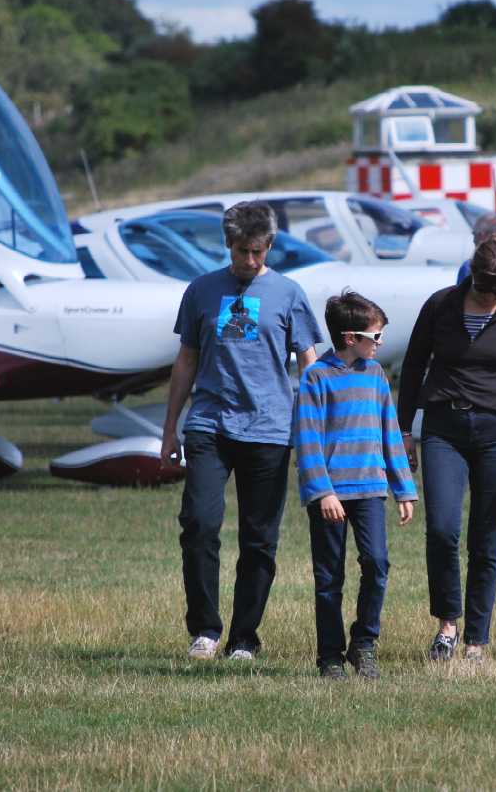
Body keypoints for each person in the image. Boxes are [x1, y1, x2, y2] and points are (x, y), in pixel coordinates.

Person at [160, 201, 323, 661]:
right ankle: (205, 630)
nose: (249, 261)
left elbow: (309, 364)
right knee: (199, 524)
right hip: (209, 424)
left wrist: (314, 430)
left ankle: (244, 637)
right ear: (227, 245)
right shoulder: (201, 291)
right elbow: (186, 360)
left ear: (269, 246)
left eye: (257, 252)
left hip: (269, 429)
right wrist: (170, 429)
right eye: (240, 252)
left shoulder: (289, 294)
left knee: (259, 538)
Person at [398, 237, 496, 661]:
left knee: (486, 537)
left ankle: (476, 640)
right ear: (472, 272)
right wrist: (404, 430)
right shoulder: (440, 305)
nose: (487, 296)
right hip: (444, 428)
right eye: (482, 286)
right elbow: (413, 366)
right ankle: (447, 625)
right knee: (442, 528)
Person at [295, 290, 417, 680]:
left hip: (370, 489)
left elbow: (389, 433)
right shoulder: (316, 377)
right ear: (351, 338)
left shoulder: (376, 375)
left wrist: (403, 487)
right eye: (375, 336)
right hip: (330, 495)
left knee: (377, 564)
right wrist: (323, 492)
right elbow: (307, 440)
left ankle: (364, 643)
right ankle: (330, 656)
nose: (379, 343)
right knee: (329, 576)